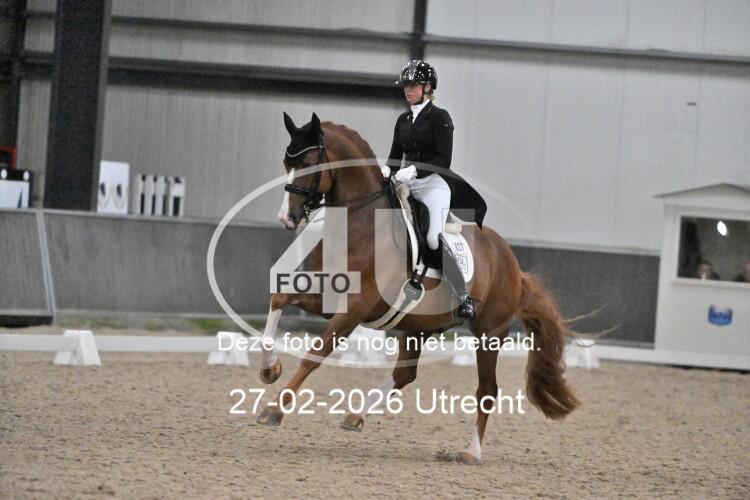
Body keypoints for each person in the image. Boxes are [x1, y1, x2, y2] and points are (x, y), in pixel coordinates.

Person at [382, 60, 486, 320]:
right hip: (406, 185)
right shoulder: (403, 120)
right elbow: (394, 157)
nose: (407, 89)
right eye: (405, 85)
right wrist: (385, 171)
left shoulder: (440, 118)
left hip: (433, 186)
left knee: (431, 238)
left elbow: (443, 160)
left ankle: (462, 296)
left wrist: (414, 171)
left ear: (427, 87)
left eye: (413, 85)